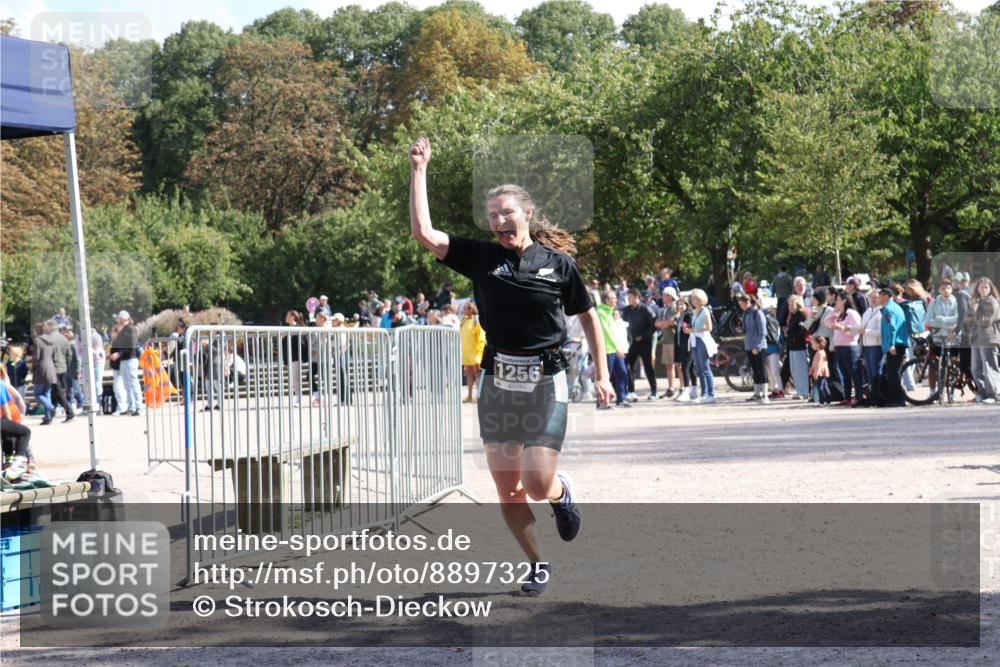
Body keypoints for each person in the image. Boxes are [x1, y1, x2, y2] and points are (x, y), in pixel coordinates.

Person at [408, 136, 613, 596]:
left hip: (546, 381)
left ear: (527, 214)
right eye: (492, 216)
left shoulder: (558, 265)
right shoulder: (482, 258)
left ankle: (560, 492)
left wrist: (602, 374)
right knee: (509, 490)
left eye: (507, 213)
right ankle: (538, 564)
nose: (499, 221)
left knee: (536, 483)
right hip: (498, 383)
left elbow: (588, 318)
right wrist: (419, 169)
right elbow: (425, 234)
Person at [965, 277, 1000, 404]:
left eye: (986, 287)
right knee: (975, 368)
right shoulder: (976, 302)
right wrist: (971, 309)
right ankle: (982, 393)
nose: (983, 290)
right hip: (976, 338)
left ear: (990, 289)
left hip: (989, 339)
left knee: (989, 367)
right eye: (981, 287)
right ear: (977, 289)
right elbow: (967, 320)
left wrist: (975, 311)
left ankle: (994, 394)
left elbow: (985, 321)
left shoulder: (992, 302)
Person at [826, 291, 863, 406]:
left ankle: (859, 396)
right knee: (844, 373)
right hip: (839, 346)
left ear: (844, 301)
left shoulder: (852, 313)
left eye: (838, 300)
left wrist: (842, 328)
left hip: (850, 347)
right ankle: (847, 397)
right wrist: (834, 311)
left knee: (853, 372)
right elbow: (827, 322)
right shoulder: (840, 314)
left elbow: (856, 330)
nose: (836, 302)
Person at [33, 321, 75, 423]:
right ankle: (49, 416)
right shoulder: (63, 338)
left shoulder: (48, 338)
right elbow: (69, 354)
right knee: (53, 392)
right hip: (61, 368)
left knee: (57, 392)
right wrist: (66, 365)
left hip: (52, 368)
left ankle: (68, 412)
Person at [623, 288, 658, 400]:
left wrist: (643, 335)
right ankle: (631, 391)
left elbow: (654, 325)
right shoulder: (626, 310)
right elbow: (623, 325)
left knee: (648, 366)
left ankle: (654, 391)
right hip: (631, 343)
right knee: (628, 365)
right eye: (628, 297)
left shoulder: (645, 308)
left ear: (637, 297)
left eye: (630, 297)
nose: (628, 299)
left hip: (645, 342)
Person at [596, 292, 629, 409]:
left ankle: (621, 399)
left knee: (622, 372)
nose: (616, 300)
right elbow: (607, 332)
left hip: (615, 349)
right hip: (606, 350)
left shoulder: (611, 312)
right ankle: (601, 402)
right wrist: (617, 347)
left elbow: (615, 331)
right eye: (613, 298)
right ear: (606, 300)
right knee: (605, 377)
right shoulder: (601, 312)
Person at [878, 288, 909, 408]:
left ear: (886, 296)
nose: (878, 298)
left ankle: (899, 399)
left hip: (895, 344)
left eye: (880, 295)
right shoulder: (895, 307)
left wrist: (891, 344)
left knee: (893, 374)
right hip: (899, 343)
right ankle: (897, 399)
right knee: (894, 373)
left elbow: (891, 328)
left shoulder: (888, 309)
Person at [926, 279, 959, 392]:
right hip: (937, 336)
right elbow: (929, 320)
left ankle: (952, 389)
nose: (946, 290)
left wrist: (941, 319)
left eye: (948, 288)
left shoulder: (956, 302)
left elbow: (957, 318)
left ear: (952, 289)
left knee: (954, 363)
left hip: (952, 336)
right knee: (933, 363)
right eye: (943, 288)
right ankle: (932, 391)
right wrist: (947, 324)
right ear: (939, 290)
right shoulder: (934, 303)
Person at [108, 311, 142, 416]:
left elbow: (132, 346)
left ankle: (138, 407)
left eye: (118, 318)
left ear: (123, 318)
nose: (117, 320)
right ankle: (131, 407)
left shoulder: (131, 329)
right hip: (124, 360)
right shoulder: (124, 329)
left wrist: (119, 353)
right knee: (128, 386)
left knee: (133, 384)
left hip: (130, 359)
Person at [687, 289, 717, 403]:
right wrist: (690, 329)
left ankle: (711, 394)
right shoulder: (695, 311)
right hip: (695, 339)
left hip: (702, 340)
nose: (692, 300)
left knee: (705, 368)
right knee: (699, 369)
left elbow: (709, 327)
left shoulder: (705, 310)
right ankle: (704, 393)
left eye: (694, 298)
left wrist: (695, 330)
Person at [738, 294, 769, 403]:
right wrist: (741, 330)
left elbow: (763, 332)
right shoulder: (745, 314)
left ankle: (765, 394)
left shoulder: (758, 313)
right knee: (755, 370)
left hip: (759, 346)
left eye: (741, 304)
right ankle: (757, 393)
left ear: (748, 302)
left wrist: (757, 346)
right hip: (749, 345)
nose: (740, 306)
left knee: (761, 369)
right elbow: (747, 329)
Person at [855, 291, 884, 398]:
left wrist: (866, 332)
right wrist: (850, 329)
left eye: (876, 297)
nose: (873, 299)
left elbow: (880, 332)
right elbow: (861, 327)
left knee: (876, 372)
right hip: (866, 345)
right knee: (869, 373)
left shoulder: (881, 312)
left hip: (876, 345)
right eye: (871, 297)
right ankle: (873, 395)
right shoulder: (867, 312)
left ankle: (879, 395)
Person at [655, 287, 679, 398]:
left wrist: (664, 323)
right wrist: (666, 323)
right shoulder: (665, 308)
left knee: (678, 365)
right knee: (669, 365)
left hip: (674, 340)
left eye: (664, 295)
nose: (662, 297)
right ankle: (671, 388)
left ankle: (683, 387)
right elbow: (657, 323)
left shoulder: (675, 307)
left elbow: (672, 321)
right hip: (666, 339)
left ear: (670, 296)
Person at [460, 302, 487, 403]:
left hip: (475, 353)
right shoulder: (463, 321)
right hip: (466, 353)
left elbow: (481, 339)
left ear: (471, 310)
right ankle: (470, 396)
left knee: (477, 374)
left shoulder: (476, 322)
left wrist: (479, 353)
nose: (463, 310)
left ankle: (480, 396)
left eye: (465, 308)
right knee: (469, 374)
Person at [785, 295, 811, 400]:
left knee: (801, 370)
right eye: (789, 305)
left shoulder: (801, 316)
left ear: (798, 305)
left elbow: (801, 332)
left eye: (792, 305)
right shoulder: (792, 316)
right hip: (792, 345)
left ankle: (804, 392)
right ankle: (799, 390)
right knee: (794, 370)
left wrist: (789, 333)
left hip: (800, 346)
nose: (790, 307)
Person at [283, 311, 308, 407]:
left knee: (295, 377)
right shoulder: (289, 329)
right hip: (290, 356)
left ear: (292, 317)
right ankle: (298, 397)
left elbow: (301, 343)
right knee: (294, 378)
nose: (286, 317)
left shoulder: (297, 328)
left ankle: (299, 398)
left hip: (296, 356)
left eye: (287, 315)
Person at [809, 336, 831, 406]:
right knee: (825, 387)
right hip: (822, 373)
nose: (812, 345)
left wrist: (817, 373)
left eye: (813, 344)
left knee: (820, 387)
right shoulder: (821, 352)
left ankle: (822, 401)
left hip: (820, 373)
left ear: (818, 344)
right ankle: (828, 401)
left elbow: (819, 364)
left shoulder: (819, 353)